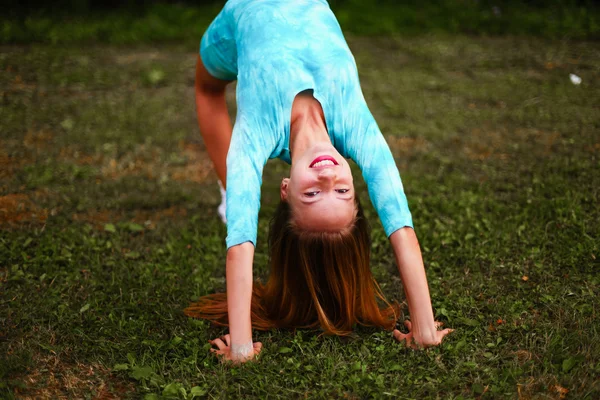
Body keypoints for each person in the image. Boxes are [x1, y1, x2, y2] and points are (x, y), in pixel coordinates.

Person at [185, 0, 453, 363]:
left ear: (284, 189)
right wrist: (423, 328)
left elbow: (240, 243)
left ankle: (230, 192)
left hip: (241, 14)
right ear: (358, 190)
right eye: (342, 191)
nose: (327, 175)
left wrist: (242, 346)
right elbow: (401, 226)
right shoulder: (355, 123)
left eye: (312, 193)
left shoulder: (256, 131)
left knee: (207, 89)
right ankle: (231, 193)